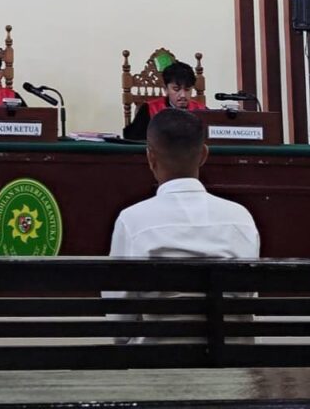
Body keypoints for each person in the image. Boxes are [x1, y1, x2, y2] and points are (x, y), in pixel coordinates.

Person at [107, 108, 259, 343]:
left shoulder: (132, 221)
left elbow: (119, 324)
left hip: (157, 363)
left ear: (150, 157)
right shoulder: (241, 219)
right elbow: (248, 304)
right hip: (231, 363)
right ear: (203, 155)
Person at [122, 61, 206, 141]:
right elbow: (133, 139)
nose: (183, 95)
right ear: (166, 89)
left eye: (187, 89)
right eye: (176, 89)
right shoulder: (149, 109)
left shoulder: (202, 110)